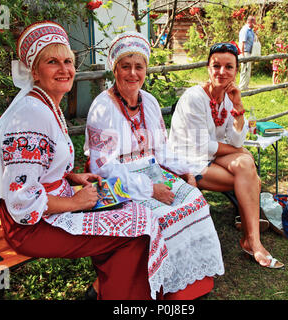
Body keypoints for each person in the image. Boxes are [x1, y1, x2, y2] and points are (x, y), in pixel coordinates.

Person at [0, 21, 159, 300]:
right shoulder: (32, 115)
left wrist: (72, 178)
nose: (64, 69)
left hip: (50, 206)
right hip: (30, 226)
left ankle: (105, 292)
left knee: (134, 213)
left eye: (68, 61)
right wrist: (75, 202)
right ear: (35, 71)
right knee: (137, 234)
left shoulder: (46, 103)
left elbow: (41, 168)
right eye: (53, 62)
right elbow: (21, 199)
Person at [84, 31, 225, 299]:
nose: (133, 74)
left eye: (139, 67)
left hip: (151, 172)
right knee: (158, 218)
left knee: (194, 200)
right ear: (115, 69)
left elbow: (162, 149)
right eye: (126, 66)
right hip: (115, 184)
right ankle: (154, 289)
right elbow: (103, 168)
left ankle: (190, 284)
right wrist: (150, 189)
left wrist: (185, 170)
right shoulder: (102, 107)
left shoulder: (148, 101)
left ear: (146, 69)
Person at [168, 42, 284, 269]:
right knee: (249, 177)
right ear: (208, 69)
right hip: (187, 160)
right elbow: (201, 146)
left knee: (245, 166)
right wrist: (240, 151)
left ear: (236, 71)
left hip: (212, 154)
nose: (222, 72)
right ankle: (251, 241)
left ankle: (252, 239)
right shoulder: (194, 97)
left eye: (228, 67)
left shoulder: (230, 97)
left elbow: (238, 140)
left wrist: (238, 104)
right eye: (216, 66)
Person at [238, 15, 256, 91]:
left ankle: (246, 86)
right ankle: (241, 86)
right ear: (250, 22)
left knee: (248, 70)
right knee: (244, 69)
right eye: (254, 22)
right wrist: (242, 54)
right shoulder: (245, 30)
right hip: (245, 52)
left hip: (249, 52)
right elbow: (242, 42)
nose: (255, 24)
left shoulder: (251, 31)